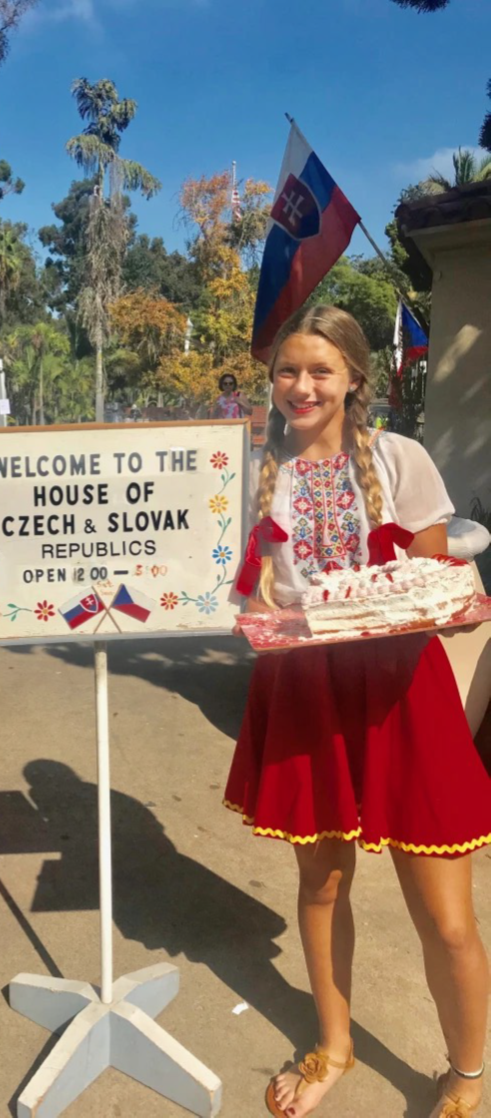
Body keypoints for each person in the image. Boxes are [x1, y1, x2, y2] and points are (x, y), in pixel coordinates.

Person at [225, 306, 491, 1119]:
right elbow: (240, 587)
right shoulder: (252, 468)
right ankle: (333, 1043)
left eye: (318, 371)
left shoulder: (397, 457)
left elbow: (449, 559)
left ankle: (467, 1076)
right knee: (320, 881)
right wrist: (250, 602)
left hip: (402, 693)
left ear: (352, 379)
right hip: (305, 691)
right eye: (285, 371)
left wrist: (448, 581)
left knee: (445, 916)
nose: (299, 386)